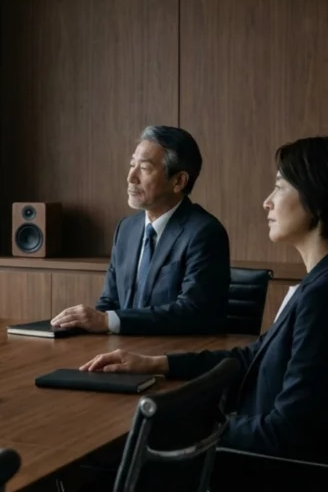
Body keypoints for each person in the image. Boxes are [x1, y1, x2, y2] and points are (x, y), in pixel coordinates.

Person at [81, 136, 328, 465]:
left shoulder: (320, 297)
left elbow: (287, 432)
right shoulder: (314, 284)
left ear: (318, 200)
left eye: (279, 187)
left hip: (257, 467)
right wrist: (157, 364)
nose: (267, 202)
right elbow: (250, 356)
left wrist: (190, 427)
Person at [51, 125, 230, 335]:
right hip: (122, 347)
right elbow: (110, 302)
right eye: (131, 165)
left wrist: (108, 321)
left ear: (179, 181)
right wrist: (85, 324)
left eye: (144, 168)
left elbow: (192, 311)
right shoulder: (127, 229)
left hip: (173, 349)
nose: (131, 177)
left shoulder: (204, 233)